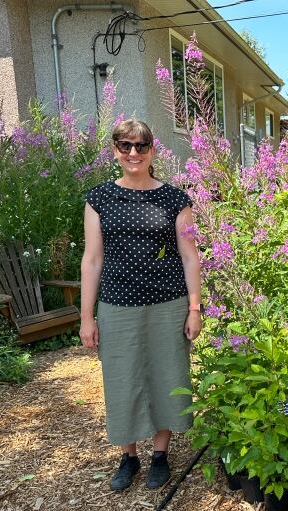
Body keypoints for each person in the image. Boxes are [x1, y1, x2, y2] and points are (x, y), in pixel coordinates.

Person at [80, 119, 202, 491]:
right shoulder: (98, 198)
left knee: (166, 373)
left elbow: (190, 256)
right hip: (117, 305)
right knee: (122, 377)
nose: (133, 153)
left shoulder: (174, 198)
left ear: (152, 149)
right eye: (125, 145)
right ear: (115, 150)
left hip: (167, 304)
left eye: (141, 145)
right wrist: (87, 317)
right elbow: (92, 260)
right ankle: (129, 456)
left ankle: (160, 456)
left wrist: (195, 308)